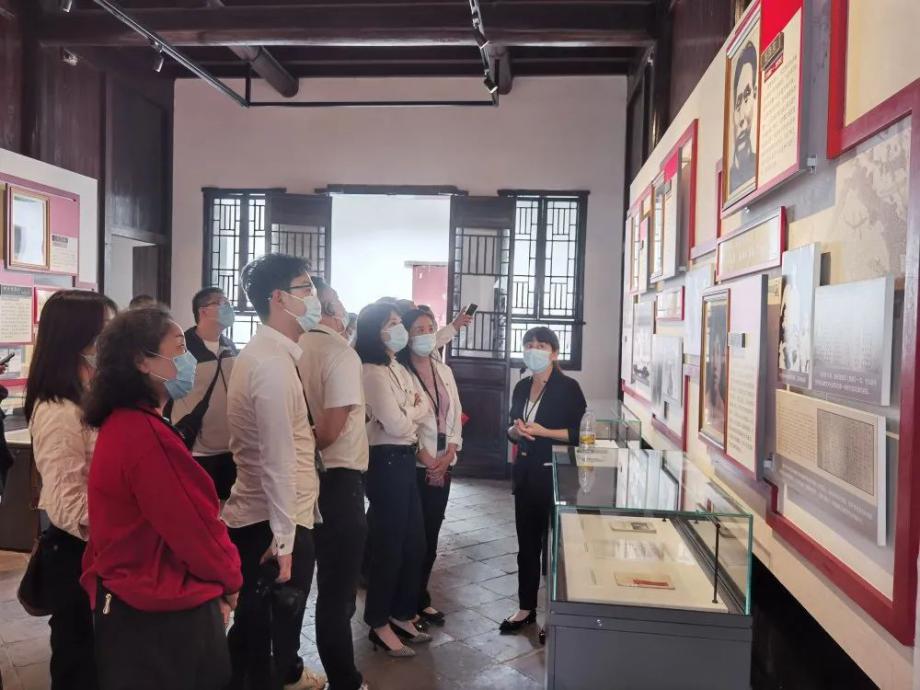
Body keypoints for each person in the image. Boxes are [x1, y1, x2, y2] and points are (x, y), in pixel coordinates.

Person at [81, 306, 242, 690]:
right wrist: (231, 580)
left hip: (131, 598)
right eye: (179, 347)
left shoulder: (124, 422)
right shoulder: (146, 436)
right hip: (161, 608)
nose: (187, 360)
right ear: (142, 361)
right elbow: (194, 529)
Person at [222, 254, 326, 690]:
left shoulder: (273, 354)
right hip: (272, 521)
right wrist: (284, 540)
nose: (315, 297)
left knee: (257, 631)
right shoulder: (271, 364)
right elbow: (278, 458)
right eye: (307, 288)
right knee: (267, 634)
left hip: (275, 514)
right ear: (279, 298)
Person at [23, 290, 115, 690]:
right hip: (78, 550)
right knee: (79, 660)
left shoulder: (89, 395)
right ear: (78, 338)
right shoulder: (58, 410)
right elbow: (66, 502)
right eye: (105, 331)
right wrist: (121, 527)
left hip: (101, 546)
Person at [297, 277, 368, 690]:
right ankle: (345, 679)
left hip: (302, 476)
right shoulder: (339, 353)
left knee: (297, 584)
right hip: (338, 479)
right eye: (338, 302)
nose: (344, 309)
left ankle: (287, 668)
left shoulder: (295, 347)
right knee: (338, 590)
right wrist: (305, 445)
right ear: (328, 308)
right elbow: (329, 431)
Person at [501, 327, 586, 638]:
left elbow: (578, 434)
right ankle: (526, 607)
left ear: (554, 353)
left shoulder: (569, 387)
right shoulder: (522, 386)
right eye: (529, 345)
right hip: (525, 474)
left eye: (541, 346)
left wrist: (543, 432)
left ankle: (557, 613)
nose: (533, 350)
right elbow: (512, 427)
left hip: (556, 475)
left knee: (556, 549)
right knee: (527, 545)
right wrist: (516, 431)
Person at [357, 302, 431, 657]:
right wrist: (412, 410)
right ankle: (378, 621)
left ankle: (401, 612)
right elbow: (398, 424)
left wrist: (410, 411)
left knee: (414, 544)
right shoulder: (371, 372)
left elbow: (423, 406)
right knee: (389, 546)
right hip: (385, 462)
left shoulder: (397, 367)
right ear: (375, 331)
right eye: (392, 323)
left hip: (404, 459)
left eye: (400, 322)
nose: (400, 329)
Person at [396, 309, 463, 627]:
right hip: (414, 466)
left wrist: (450, 451)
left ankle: (420, 598)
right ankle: (403, 605)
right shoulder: (400, 373)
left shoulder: (443, 369)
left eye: (429, 328)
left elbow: (455, 413)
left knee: (431, 535)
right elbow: (400, 423)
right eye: (418, 329)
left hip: (442, 464)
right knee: (412, 540)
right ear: (407, 335)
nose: (425, 334)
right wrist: (425, 458)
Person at [169, 287, 239, 501]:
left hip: (231, 445)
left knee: (228, 508)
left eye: (228, 303)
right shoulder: (182, 348)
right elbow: (169, 393)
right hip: (197, 448)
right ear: (203, 311)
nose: (228, 308)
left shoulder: (229, 346)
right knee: (201, 505)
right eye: (221, 303)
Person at [729, 40, 758, 195]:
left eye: (746, 97)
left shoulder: (759, 166)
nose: (741, 120)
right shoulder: (730, 178)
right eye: (738, 102)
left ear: (755, 95)